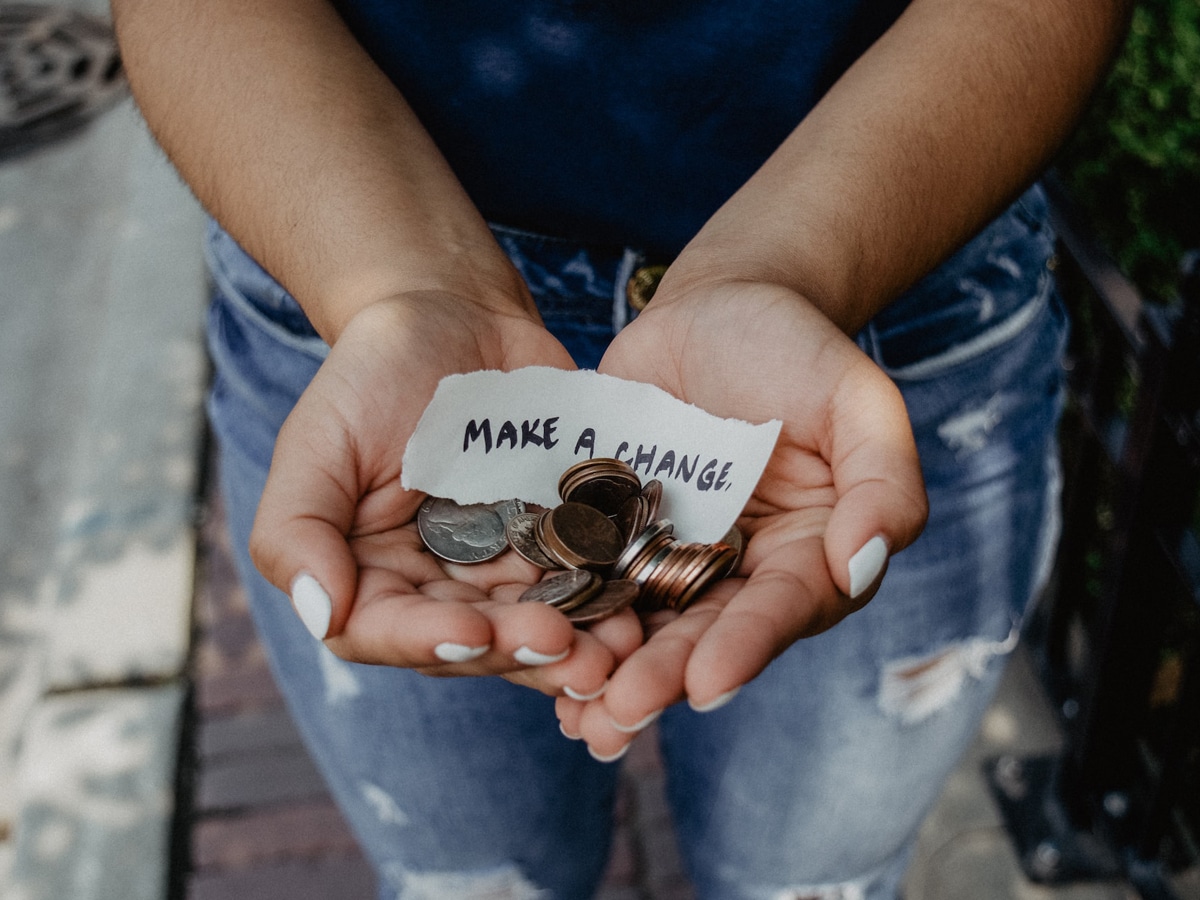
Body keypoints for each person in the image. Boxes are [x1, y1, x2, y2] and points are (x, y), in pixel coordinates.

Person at [111, 1, 1130, 897]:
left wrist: (782, 272)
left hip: (890, 278)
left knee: (813, 891)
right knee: (467, 888)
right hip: (351, 290)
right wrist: (397, 294)